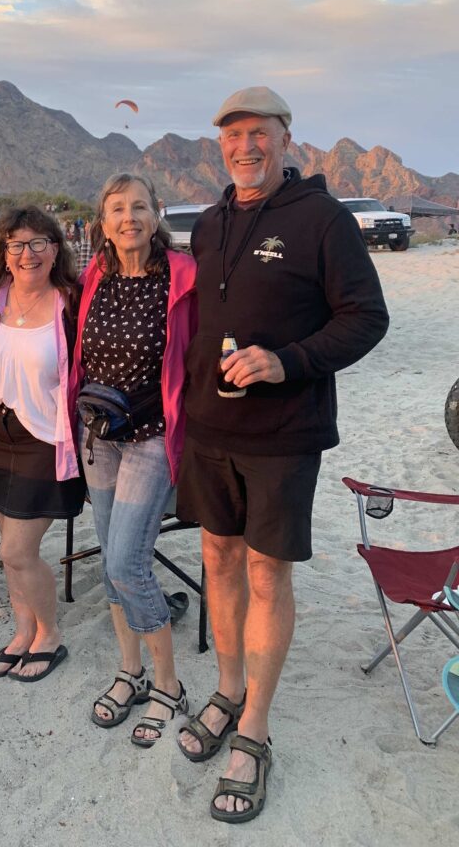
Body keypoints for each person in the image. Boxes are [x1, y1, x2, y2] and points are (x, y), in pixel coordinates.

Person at [175, 86, 389, 823]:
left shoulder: (324, 220)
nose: (244, 148)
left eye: (257, 134)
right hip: (210, 430)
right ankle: (228, 687)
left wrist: (288, 360)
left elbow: (366, 318)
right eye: (232, 137)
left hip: (284, 436)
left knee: (267, 575)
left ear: (286, 137)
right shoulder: (207, 224)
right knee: (218, 559)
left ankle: (255, 726)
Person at [68, 173, 197, 745]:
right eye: (116, 209)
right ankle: (131, 671)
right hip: (98, 437)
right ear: (102, 221)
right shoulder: (96, 275)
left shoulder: (183, 275)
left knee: (126, 564)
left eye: (139, 207)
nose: (128, 218)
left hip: (150, 436)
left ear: (157, 213)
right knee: (110, 568)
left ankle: (169, 685)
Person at [0, 206, 85, 682]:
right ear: (4, 254)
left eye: (38, 243)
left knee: (17, 552)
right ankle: (22, 631)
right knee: (10, 549)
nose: (28, 253)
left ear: (56, 249)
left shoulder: (71, 303)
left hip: (45, 441)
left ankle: (49, 634)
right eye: (16, 244)